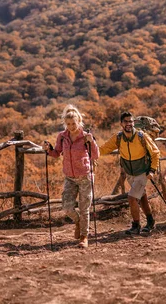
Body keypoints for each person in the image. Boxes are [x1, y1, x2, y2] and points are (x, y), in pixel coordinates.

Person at [43, 105, 99, 248]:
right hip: (69, 177)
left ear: (79, 121)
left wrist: (91, 142)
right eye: (68, 124)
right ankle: (78, 222)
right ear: (65, 124)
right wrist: (48, 149)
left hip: (85, 176)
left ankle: (84, 237)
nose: (71, 126)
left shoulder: (86, 137)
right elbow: (56, 153)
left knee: (84, 208)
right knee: (67, 207)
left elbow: (96, 155)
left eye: (74, 123)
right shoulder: (62, 137)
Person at [100, 112, 160, 235]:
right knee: (142, 197)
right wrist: (90, 148)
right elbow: (104, 149)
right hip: (130, 173)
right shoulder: (118, 137)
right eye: (126, 121)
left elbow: (155, 153)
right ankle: (150, 221)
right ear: (121, 124)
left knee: (132, 198)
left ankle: (136, 225)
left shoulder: (141, 136)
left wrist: (152, 170)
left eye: (131, 121)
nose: (129, 124)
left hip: (142, 172)